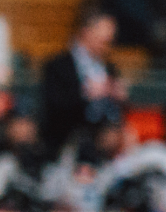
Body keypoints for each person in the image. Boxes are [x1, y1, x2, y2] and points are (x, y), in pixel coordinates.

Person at [41, 11, 128, 156]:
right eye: (104, 41)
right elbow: (54, 107)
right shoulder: (58, 66)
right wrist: (86, 94)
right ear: (86, 33)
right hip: (66, 146)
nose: (108, 46)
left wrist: (119, 98)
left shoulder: (109, 68)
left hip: (102, 148)